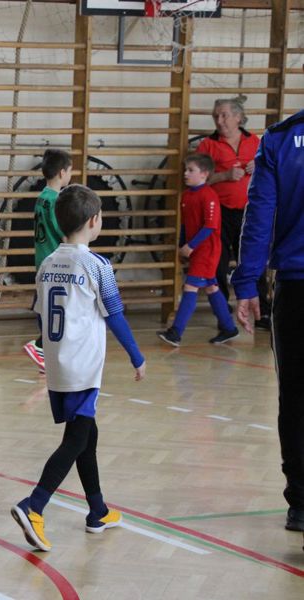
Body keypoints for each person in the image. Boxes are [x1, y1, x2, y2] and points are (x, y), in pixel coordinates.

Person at [11, 185, 145, 552]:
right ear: (94, 221)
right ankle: (34, 505)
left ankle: (97, 510)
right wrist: (137, 356)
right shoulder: (97, 265)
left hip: (58, 363)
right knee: (76, 439)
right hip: (83, 366)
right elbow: (115, 316)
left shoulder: (47, 263)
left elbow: (41, 314)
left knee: (87, 435)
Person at [232, 102, 304, 539]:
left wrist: (247, 283)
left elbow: (259, 214)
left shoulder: (280, 138)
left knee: (295, 397)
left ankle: (301, 502)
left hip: (296, 290)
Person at [196, 98, 270, 326]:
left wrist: (260, 166)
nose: (219, 121)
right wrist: (224, 176)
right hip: (218, 213)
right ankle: (223, 315)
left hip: (250, 212)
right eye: (215, 116)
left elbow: (273, 172)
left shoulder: (255, 141)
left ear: (238, 117)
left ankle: (262, 313)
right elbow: (196, 180)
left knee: (253, 261)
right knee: (218, 264)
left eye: (224, 115)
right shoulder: (207, 145)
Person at [157, 153, 239, 346]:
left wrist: (191, 246)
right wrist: (183, 246)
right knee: (212, 287)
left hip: (207, 250)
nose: (185, 173)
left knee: (190, 287)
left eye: (190, 170)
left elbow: (210, 226)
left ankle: (175, 332)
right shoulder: (187, 196)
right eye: (185, 169)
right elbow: (186, 224)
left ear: (204, 174)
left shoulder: (209, 196)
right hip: (195, 249)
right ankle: (229, 328)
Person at [24, 149, 72, 373]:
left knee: (45, 307)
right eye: (70, 171)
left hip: (42, 260)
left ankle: (46, 355)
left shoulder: (42, 197)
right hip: (55, 262)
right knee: (57, 309)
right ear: (62, 172)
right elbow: (63, 233)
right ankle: (40, 346)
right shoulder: (55, 201)